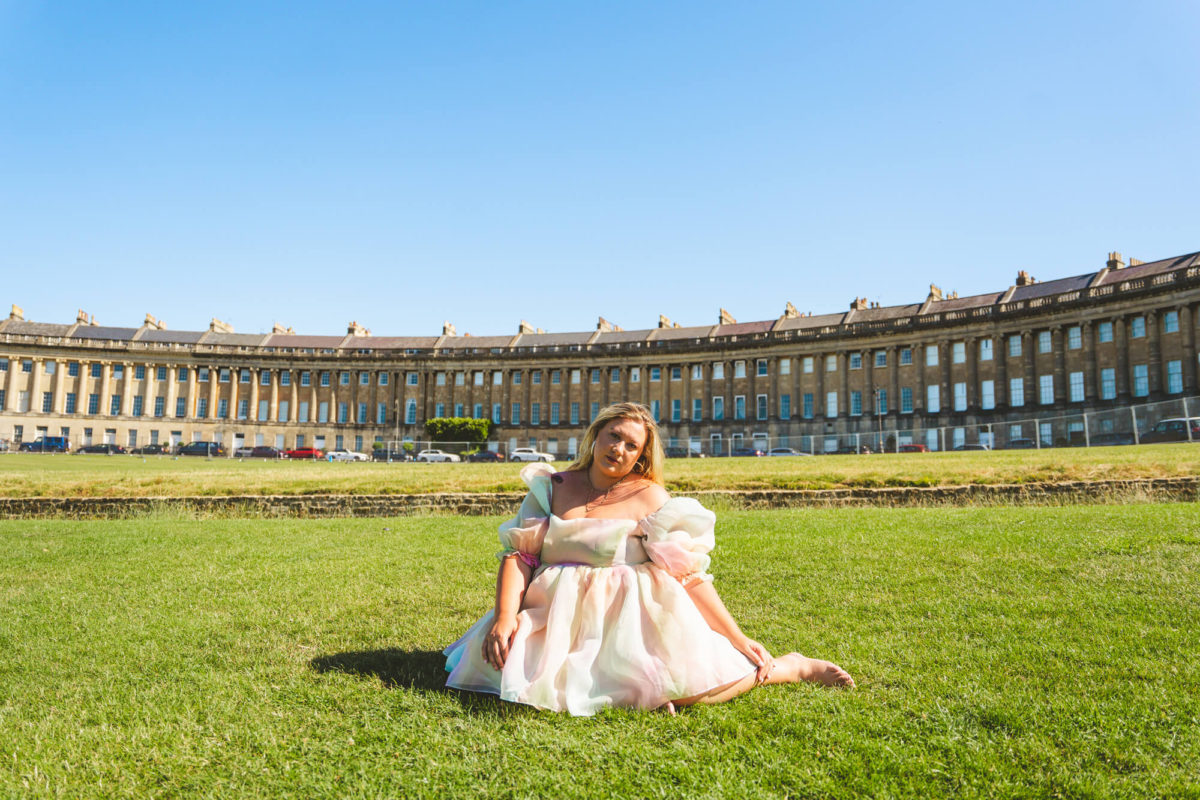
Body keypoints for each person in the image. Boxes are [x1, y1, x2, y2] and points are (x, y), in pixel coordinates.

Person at [444, 402, 853, 715]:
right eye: (613, 436)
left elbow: (689, 576)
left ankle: (792, 667)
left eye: (630, 445)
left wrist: (737, 636)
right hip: (553, 616)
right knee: (503, 674)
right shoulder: (551, 487)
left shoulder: (651, 497)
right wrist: (503, 616)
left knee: (697, 689)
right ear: (596, 435)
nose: (618, 449)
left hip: (629, 618)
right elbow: (519, 556)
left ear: (640, 455)